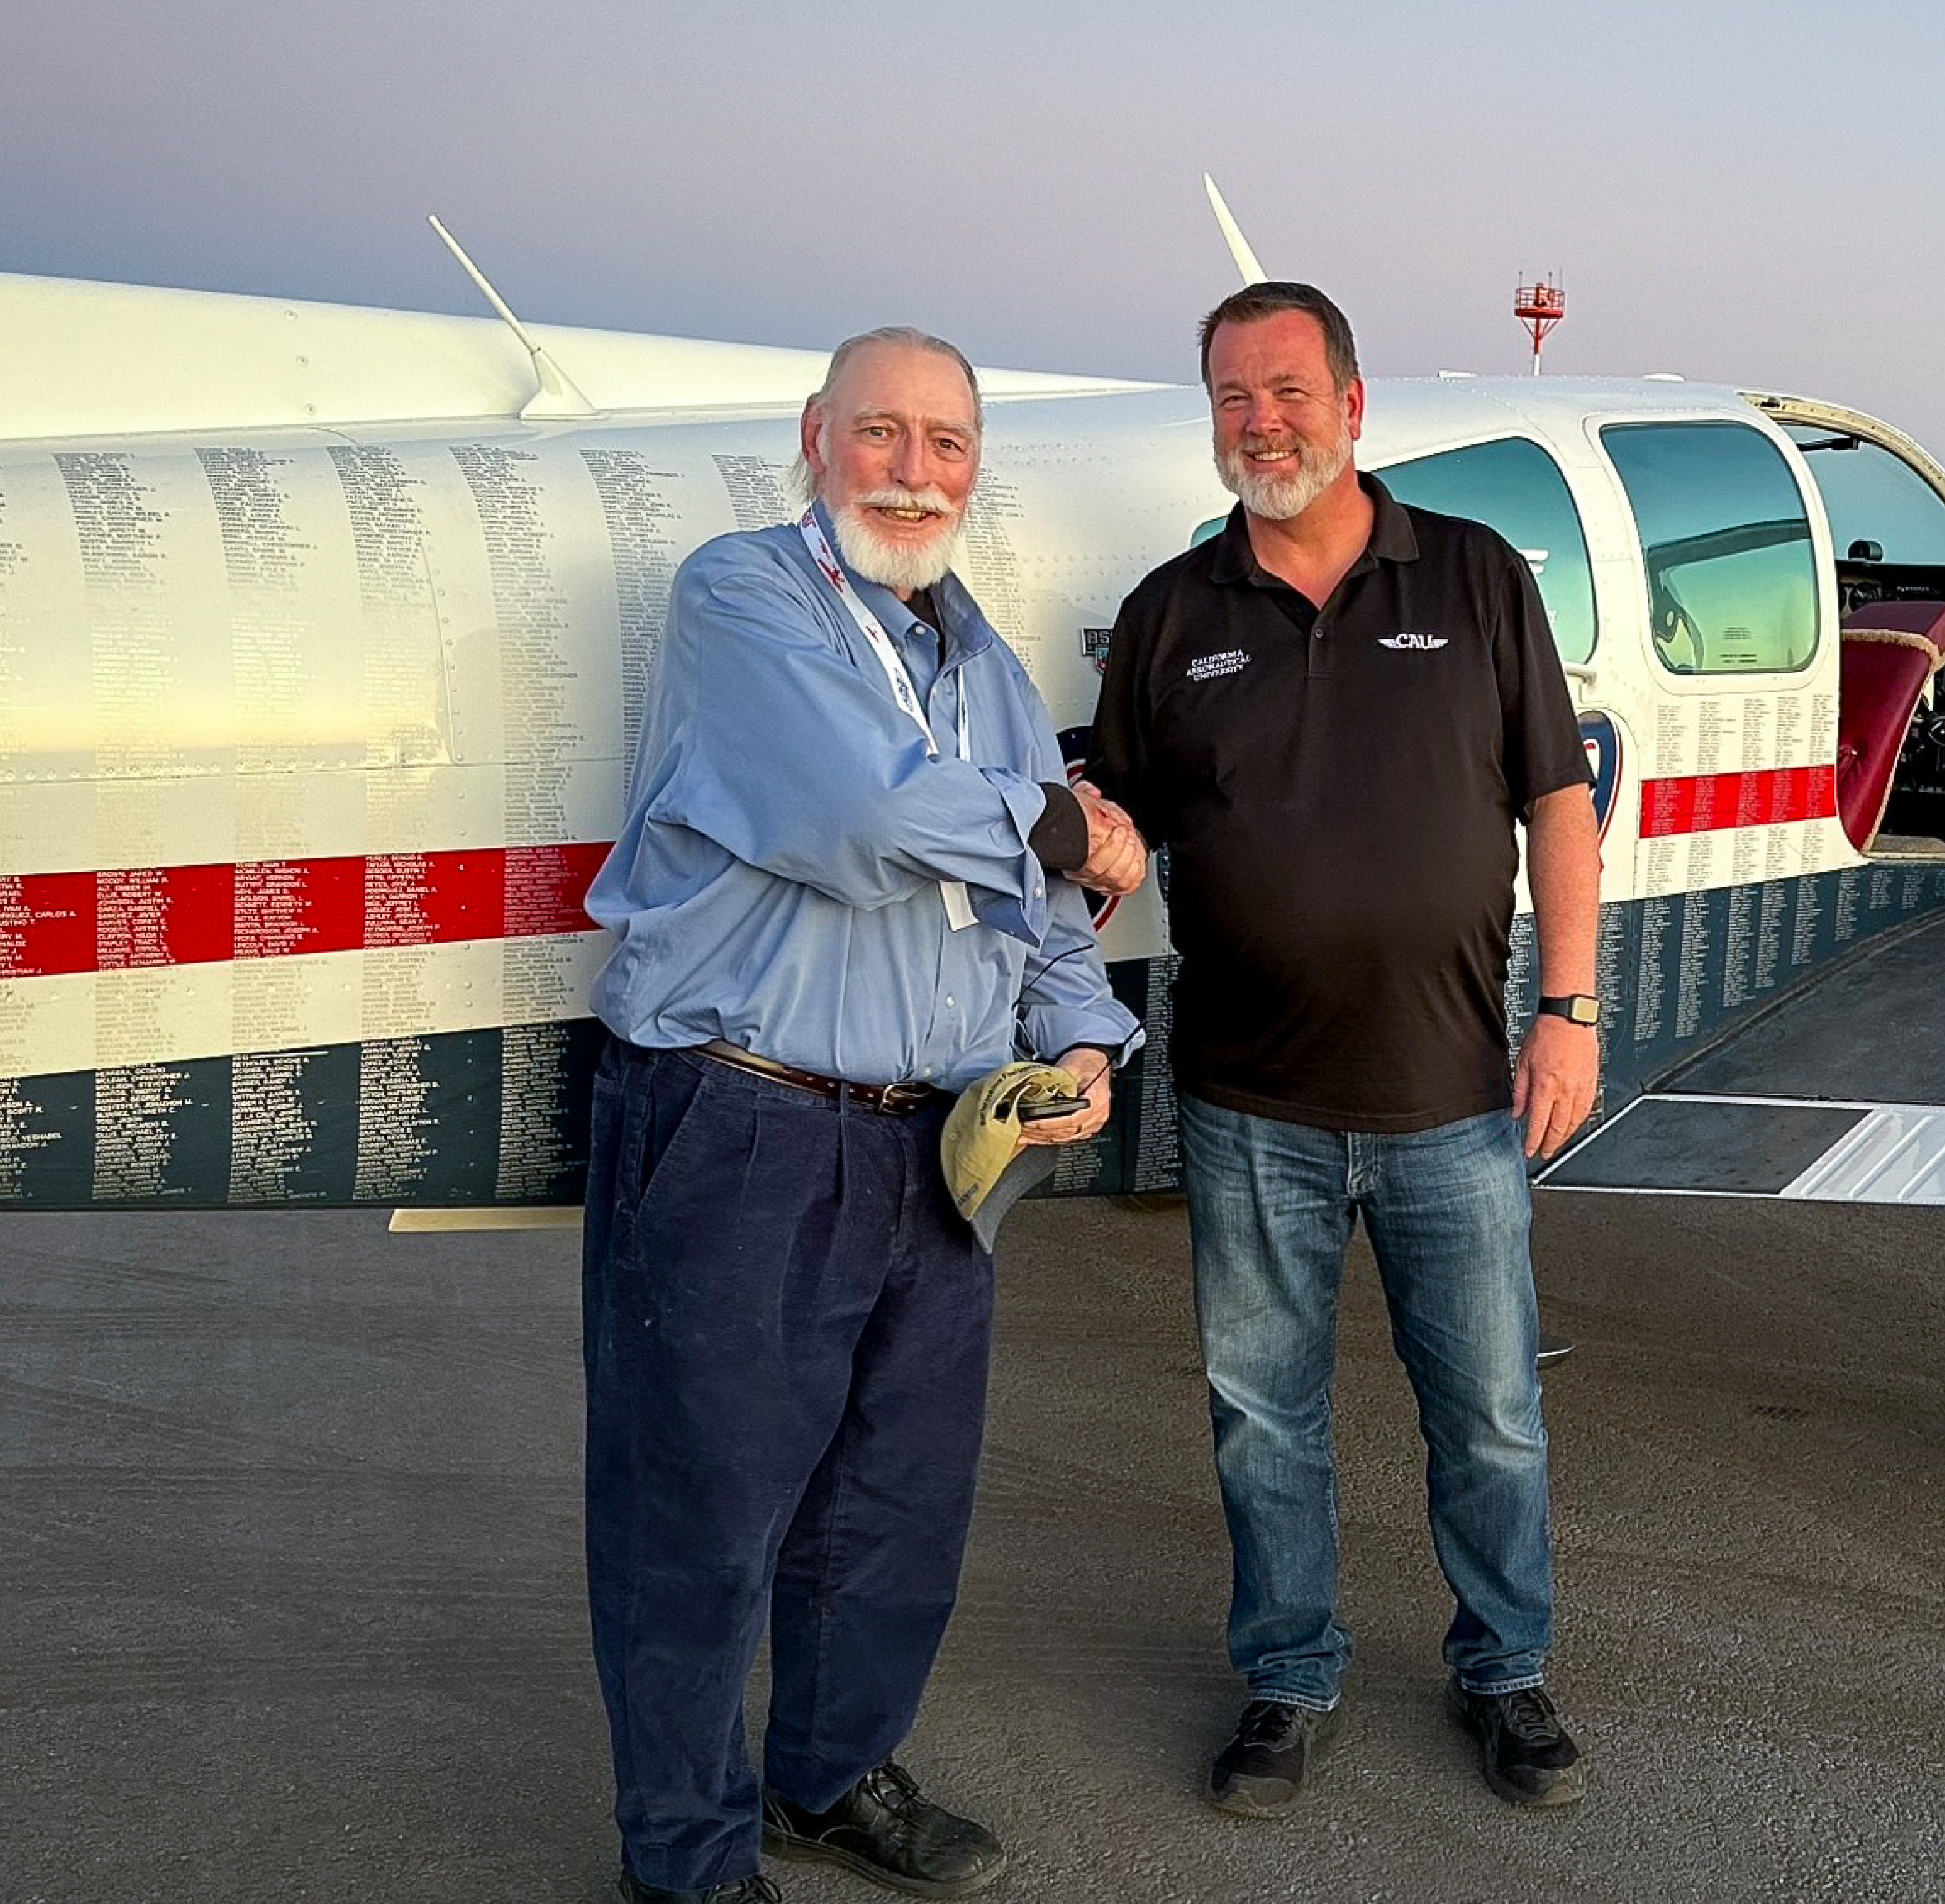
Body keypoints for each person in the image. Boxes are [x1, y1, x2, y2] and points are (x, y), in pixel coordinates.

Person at [580, 326, 1146, 1903]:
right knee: (699, 1518)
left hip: (938, 1143)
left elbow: (1043, 916)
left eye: (947, 444)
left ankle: (824, 1782)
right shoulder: (742, 596)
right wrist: (1071, 817)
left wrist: (1085, 1042)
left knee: (894, 1509)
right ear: (815, 440)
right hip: (740, 1125)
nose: (915, 471)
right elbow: (863, 815)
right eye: (882, 435)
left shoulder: (988, 665)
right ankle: (687, 1858)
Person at [1087, 282, 1603, 1816]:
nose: (1266, 422)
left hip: (1454, 1096)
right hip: (1250, 1104)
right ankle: (1289, 1676)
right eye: (1237, 397)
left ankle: (1505, 1671)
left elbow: (1558, 804)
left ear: (1356, 404)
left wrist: (1568, 1016)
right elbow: (1119, 824)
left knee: (1493, 1416)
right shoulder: (1174, 618)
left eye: (1292, 391)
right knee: (1264, 1421)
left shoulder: (1475, 573)